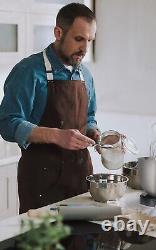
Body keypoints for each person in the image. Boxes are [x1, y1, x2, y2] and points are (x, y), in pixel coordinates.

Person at [0, 3, 100, 213]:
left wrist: (95, 133)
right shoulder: (28, 71)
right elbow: (7, 123)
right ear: (58, 32)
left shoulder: (85, 75)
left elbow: (89, 116)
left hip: (80, 180)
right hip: (41, 184)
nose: (85, 49)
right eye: (79, 39)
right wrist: (56, 135)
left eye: (89, 40)